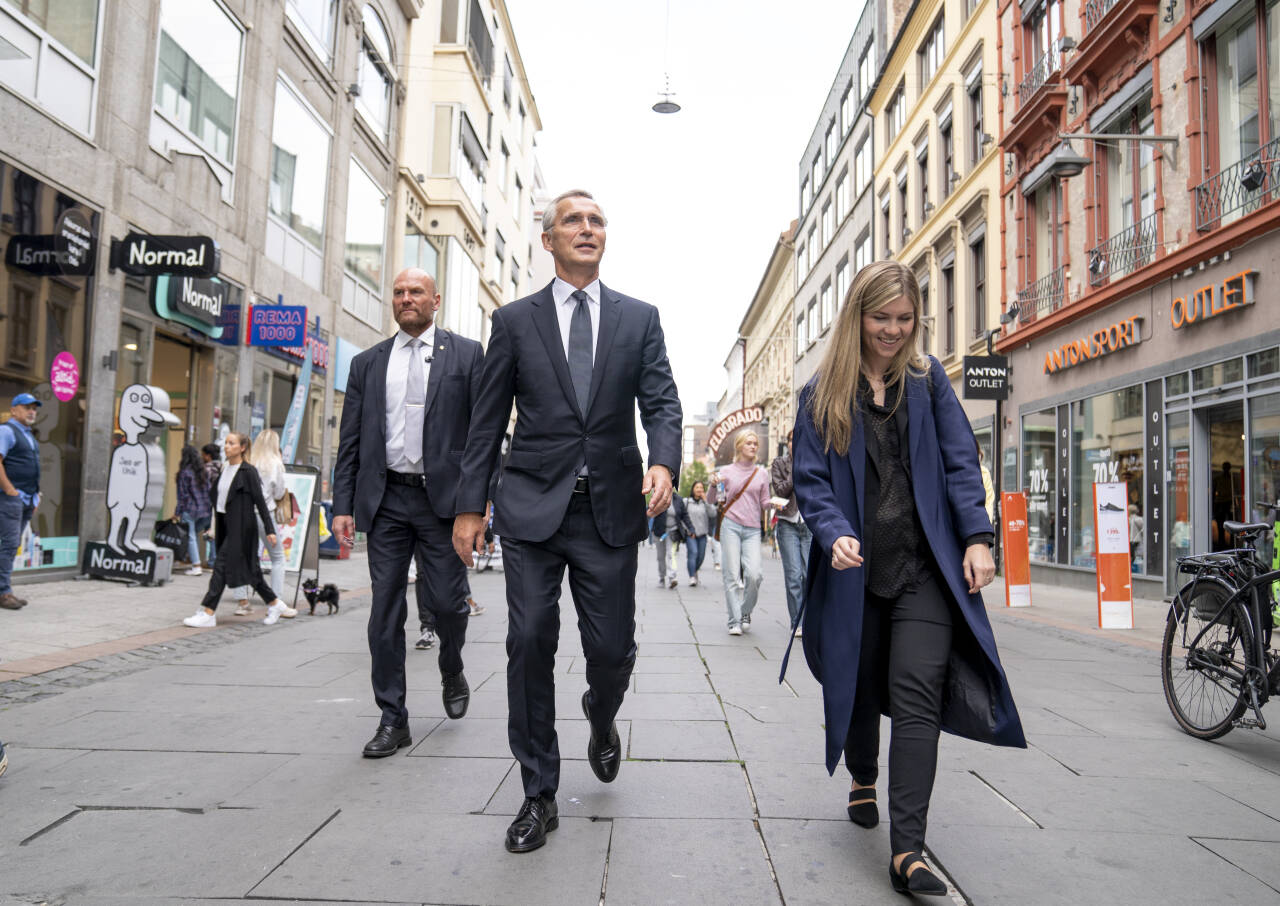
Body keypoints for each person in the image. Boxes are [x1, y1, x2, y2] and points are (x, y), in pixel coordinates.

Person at [453, 189, 682, 854]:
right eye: (573, 221)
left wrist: (664, 463)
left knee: (610, 651)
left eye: (597, 220)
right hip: (531, 506)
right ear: (548, 240)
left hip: (608, 510)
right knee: (528, 640)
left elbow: (662, 402)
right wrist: (472, 505)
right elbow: (487, 419)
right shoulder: (515, 321)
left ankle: (601, 714)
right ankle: (537, 793)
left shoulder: (639, 319)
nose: (587, 228)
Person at [788, 260, 1025, 897]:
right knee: (862, 687)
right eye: (880, 319)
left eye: (903, 319)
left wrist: (976, 539)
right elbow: (809, 478)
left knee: (916, 700)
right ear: (856, 317)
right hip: (855, 571)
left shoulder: (927, 381)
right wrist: (833, 529)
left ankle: (908, 851)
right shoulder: (822, 393)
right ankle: (862, 773)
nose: (892, 331)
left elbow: (958, 462)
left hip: (924, 568)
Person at [333, 267, 484, 759]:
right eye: (398, 293)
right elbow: (350, 441)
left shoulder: (466, 354)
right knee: (385, 611)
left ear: (435, 300)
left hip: (444, 505)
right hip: (388, 500)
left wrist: (477, 505)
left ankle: (452, 664)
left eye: (415, 291)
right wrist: (343, 505)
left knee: (447, 605)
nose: (405, 299)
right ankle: (392, 718)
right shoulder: (367, 364)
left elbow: (483, 437)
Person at [182, 432, 295, 628]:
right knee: (252, 572)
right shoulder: (225, 469)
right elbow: (218, 501)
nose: (227, 446)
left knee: (220, 566)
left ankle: (208, 612)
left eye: (232, 443)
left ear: (242, 448)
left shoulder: (248, 472)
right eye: (226, 443)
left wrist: (269, 529)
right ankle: (275, 603)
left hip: (243, 527)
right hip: (228, 526)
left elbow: (260, 501)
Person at [708, 432, 770, 635]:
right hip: (731, 525)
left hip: (753, 529)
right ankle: (734, 620)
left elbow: (764, 503)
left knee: (755, 575)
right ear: (740, 446)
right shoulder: (726, 471)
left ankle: (745, 611)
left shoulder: (761, 474)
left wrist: (778, 505)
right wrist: (712, 485)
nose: (753, 446)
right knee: (732, 575)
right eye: (749, 443)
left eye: (755, 443)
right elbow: (713, 500)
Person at [228, 429, 288, 615]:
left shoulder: (247, 462)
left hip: (244, 513)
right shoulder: (275, 463)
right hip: (265, 513)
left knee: (244, 555)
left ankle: (242, 600)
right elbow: (279, 492)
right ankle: (275, 598)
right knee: (277, 556)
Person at [0, 393, 42, 611]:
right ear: (14, 409)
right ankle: (3, 593)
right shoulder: (6, 430)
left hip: (26, 499)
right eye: (26, 407)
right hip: (10, 498)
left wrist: (36, 495)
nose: (32, 411)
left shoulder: (29, 435)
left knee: (11, 544)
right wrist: (10, 491)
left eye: (34, 408)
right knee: (8, 545)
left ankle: (4, 589)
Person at [772, 430, 811, 637]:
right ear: (787, 443)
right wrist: (796, 471)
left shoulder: (815, 460)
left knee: (808, 575)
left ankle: (809, 619)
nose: (795, 443)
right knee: (794, 575)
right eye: (791, 439)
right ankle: (797, 622)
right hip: (788, 523)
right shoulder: (780, 463)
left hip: (809, 523)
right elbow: (780, 491)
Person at [175, 444, 212, 577]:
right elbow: (209, 491)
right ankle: (190, 559)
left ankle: (196, 565)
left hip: (190, 509)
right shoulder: (203, 472)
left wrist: (177, 512)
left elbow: (182, 495)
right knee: (193, 535)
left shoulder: (184, 473)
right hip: (205, 510)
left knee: (190, 536)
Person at [650, 491, 692, 588]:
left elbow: (684, 515)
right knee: (660, 557)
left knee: (671, 554)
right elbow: (651, 511)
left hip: (672, 532)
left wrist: (691, 528)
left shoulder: (678, 499)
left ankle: (672, 577)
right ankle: (661, 577)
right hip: (659, 532)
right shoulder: (657, 496)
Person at [683, 480, 716, 586]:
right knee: (693, 553)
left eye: (701, 488)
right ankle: (692, 576)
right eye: (697, 487)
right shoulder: (686, 501)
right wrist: (687, 530)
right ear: (693, 489)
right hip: (690, 534)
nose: (699, 490)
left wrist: (706, 501)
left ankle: (694, 570)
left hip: (702, 534)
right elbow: (682, 517)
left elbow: (713, 514)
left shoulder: (705, 503)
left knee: (701, 557)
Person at [201, 443, 222, 566]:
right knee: (215, 530)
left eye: (203, 454)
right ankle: (214, 559)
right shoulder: (224, 467)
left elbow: (203, 488)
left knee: (208, 530)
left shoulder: (206, 469)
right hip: (221, 503)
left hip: (208, 503)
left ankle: (212, 560)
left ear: (208, 456)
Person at [1128, 504, 1144, 569]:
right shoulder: (1139, 519)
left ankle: (1132, 566)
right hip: (1136, 539)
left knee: (1132, 553)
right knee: (1134, 553)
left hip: (1132, 539)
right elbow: (1143, 529)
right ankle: (1133, 566)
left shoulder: (1129, 519)